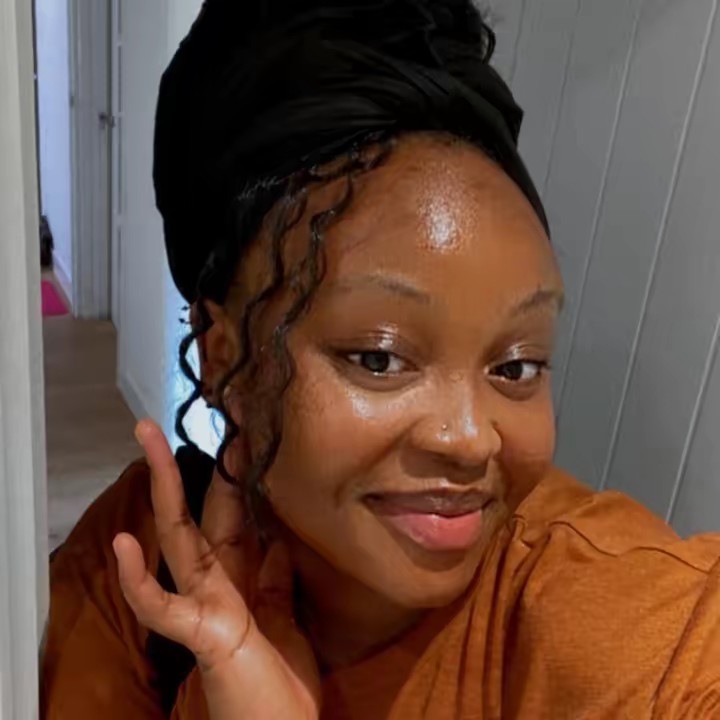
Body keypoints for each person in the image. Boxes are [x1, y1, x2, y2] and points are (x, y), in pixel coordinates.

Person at [41, 1, 720, 718]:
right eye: (380, 357)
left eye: (516, 367)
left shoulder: (625, 621)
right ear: (224, 359)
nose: (471, 439)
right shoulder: (134, 577)